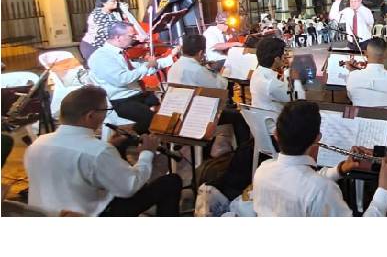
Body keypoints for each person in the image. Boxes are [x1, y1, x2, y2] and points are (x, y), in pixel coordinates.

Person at [24, 85, 182, 216]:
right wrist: (146, 153)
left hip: (45, 214)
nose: (106, 113)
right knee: (171, 182)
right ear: (90, 116)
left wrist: (112, 149)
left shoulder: (37, 144)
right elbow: (129, 188)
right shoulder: (97, 150)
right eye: (105, 109)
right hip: (88, 215)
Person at [252, 100, 387, 216]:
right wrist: (384, 189)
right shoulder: (323, 190)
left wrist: (340, 169)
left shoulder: (263, 170)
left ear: (276, 135)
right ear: (317, 138)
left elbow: (303, 181)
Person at [88, 22, 177, 134]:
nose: (135, 38)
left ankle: (165, 140)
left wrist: (170, 58)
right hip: (121, 100)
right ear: (118, 37)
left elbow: (141, 69)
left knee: (166, 106)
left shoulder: (119, 53)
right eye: (132, 36)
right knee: (151, 119)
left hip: (136, 94)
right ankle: (134, 140)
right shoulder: (101, 57)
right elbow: (122, 79)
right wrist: (147, 66)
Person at [166, 34, 250, 146]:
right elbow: (221, 86)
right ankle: (243, 150)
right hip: (196, 115)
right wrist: (214, 72)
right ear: (201, 53)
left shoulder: (174, 67)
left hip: (175, 113)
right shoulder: (197, 70)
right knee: (238, 117)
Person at [79, 0, 146, 61]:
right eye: (113, 1)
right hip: (93, 47)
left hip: (106, 46)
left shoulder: (112, 13)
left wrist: (126, 12)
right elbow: (109, 32)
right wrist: (133, 37)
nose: (116, 3)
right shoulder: (98, 15)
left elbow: (122, 27)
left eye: (116, 1)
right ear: (104, 3)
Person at [250, 36, 292, 116]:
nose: (285, 56)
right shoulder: (271, 83)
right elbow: (292, 97)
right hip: (276, 121)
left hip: (260, 118)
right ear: (276, 59)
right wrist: (288, 70)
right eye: (284, 54)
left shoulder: (256, 73)